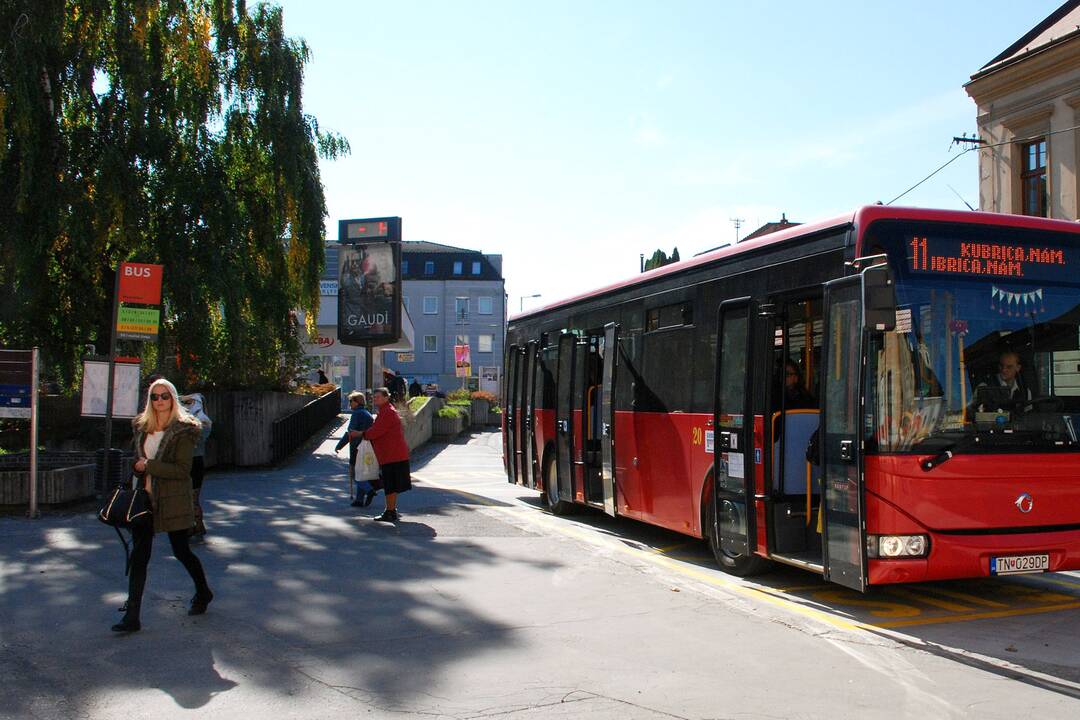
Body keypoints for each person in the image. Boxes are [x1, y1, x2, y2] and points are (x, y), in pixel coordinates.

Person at [113, 379, 213, 633]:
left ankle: (203, 592)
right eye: (155, 397)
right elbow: (138, 459)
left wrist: (148, 466)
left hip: (173, 498)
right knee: (139, 556)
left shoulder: (184, 429)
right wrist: (138, 465)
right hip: (144, 500)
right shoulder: (142, 426)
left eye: (164, 396)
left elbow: (182, 470)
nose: (159, 401)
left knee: (181, 551)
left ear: (173, 398)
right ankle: (132, 616)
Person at [364, 387, 412, 523]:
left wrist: (362, 434)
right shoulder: (387, 411)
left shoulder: (387, 412)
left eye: (378, 397)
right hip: (392, 453)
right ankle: (390, 510)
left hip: (392, 454)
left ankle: (390, 511)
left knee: (390, 484)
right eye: (374, 397)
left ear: (386, 397)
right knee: (391, 484)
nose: (375, 399)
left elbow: (376, 431)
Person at [180, 393, 213, 540]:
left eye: (190, 402)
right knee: (188, 497)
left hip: (195, 461)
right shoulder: (185, 419)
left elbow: (197, 439)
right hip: (187, 462)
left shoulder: (203, 421)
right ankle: (195, 527)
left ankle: (195, 527)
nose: (187, 405)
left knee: (192, 497)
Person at [335, 391, 377, 507]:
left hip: (357, 447)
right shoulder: (367, 413)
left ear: (356, 402)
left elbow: (351, 432)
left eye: (351, 401)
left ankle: (369, 490)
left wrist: (339, 445)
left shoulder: (357, 414)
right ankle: (359, 499)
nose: (349, 403)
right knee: (361, 473)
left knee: (355, 474)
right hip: (367, 447)